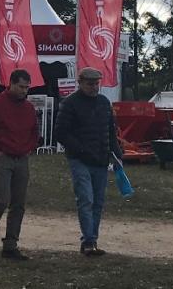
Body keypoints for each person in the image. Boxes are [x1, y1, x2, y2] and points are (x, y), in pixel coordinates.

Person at [54, 67, 123, 256]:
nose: (94, 87)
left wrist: (117, 154)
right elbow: (60, 132)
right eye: (90, 84)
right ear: (80, 83)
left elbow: (110, 131)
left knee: (97, 202)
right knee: (86, 199)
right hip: (79, 159)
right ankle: (88, 241)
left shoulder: (103, 102)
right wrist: (80, 150)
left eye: (96, 84)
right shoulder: (70, 104)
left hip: (100, 159)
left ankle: (92, 239)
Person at [0, 69, 39, 260]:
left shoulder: (28, 108)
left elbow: (34, 131)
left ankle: (10, 246)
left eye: (27, 88)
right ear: (10, 84)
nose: (24, 91)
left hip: (22, 159)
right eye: (21, 87)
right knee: (1, 200)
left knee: (18, 204)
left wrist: (29, 147)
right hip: (2, 158)